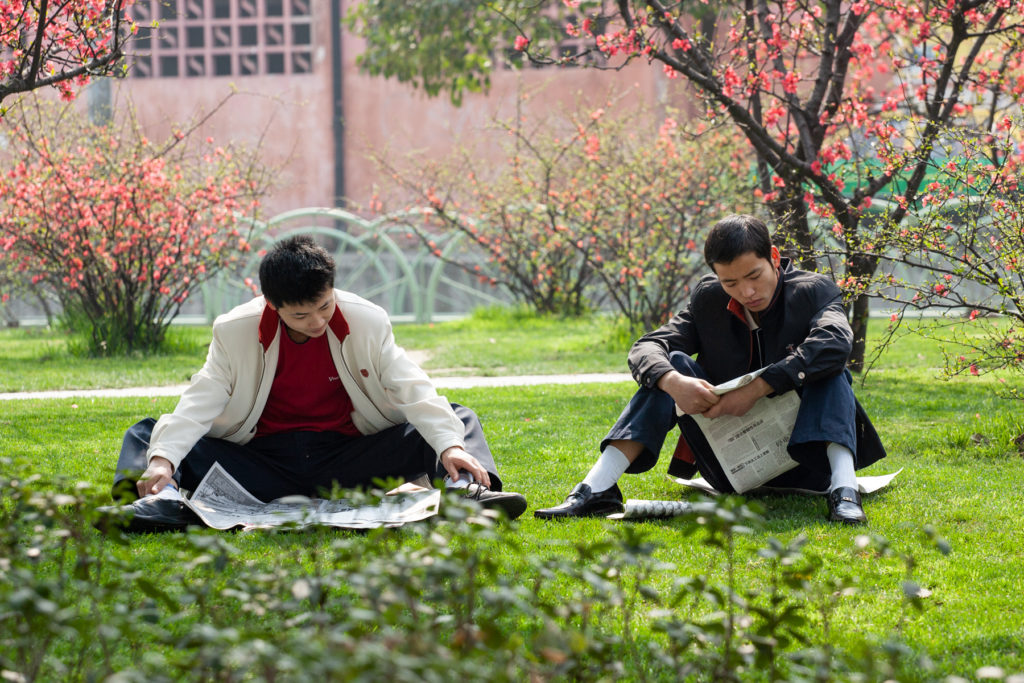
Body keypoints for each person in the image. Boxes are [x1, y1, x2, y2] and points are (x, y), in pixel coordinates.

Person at [100, 235, 527, 531]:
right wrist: (163, 460)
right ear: (273, 304)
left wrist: (450, 447)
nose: (318, 321)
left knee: (456, 419)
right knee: (148, 434)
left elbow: (412, 387)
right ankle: (158, 501)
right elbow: (200, 399)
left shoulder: (367, 320)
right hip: (263, 463)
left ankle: (467, 492)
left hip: (348, 459)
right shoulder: (235, 330)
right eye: (301, 315)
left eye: (324, 306)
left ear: (332, 289)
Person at [534, 214, 886, 525]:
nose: (747, 292)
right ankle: (596, 488)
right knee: (669, 365)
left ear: (774, 258)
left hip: (810, 464)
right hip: (729, 466)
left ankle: (844, 492)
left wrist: (757, 389)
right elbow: (647, 347)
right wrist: (673, 383)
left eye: (754, 276)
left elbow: (836, 342)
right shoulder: (708, 300)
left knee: (829, 367)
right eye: (730, 283)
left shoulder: (813, 290)